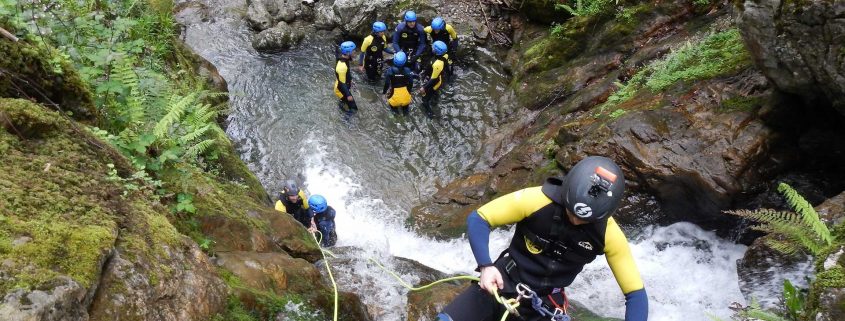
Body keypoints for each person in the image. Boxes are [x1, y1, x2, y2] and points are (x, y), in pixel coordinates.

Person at [436, 156, 648, 321]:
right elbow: (480, 218)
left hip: (545, 305)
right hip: (501, 283)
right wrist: (485, 266)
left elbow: (635, 294)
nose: (574, 220)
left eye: (584, 220)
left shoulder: (609, 234)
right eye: (570, 212)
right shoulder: (537, 199)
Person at [419, 41, 450, 118]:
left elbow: (433, 79)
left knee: (425, 100)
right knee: (433, 94)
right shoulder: (444, 55)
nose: (432, 48)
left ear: (436, 51)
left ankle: (431, 114)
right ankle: (435, 98)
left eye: (433, 47)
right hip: (432, 75)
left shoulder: (437, 64)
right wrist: (424, 73)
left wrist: (424, 88)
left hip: (435, 82)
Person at [382, 52, 415, 116]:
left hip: (394, 98)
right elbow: (411, 82)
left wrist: (384, 93)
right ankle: (406, 117)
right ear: (405, 61)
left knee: (395, 113)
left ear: (394, 60)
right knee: (406, 111)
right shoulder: (408, 71)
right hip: (406, 98)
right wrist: (409, 92)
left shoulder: (390, 71)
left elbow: (387, 83)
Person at [334, 41, 358, 113]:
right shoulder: (342, 66)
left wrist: (351, 81)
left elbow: (346, 74)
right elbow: (342, 83)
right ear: (348, 53)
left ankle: (342, 103)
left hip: (342, 84)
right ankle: (345, 120)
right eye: (353, 51)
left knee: (344, 101)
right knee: (354, 109)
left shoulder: (344, 58)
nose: (355, 52)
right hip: (340, 89)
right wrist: (348, 95)